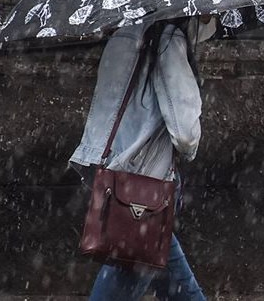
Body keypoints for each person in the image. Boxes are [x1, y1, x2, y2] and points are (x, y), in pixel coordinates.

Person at [69, 16, 216, 301]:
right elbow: (186, 134)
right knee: (129, 280)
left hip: (115, 177)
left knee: (173, 284)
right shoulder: (168, 40)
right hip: (145, 186)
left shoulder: (123, 34)